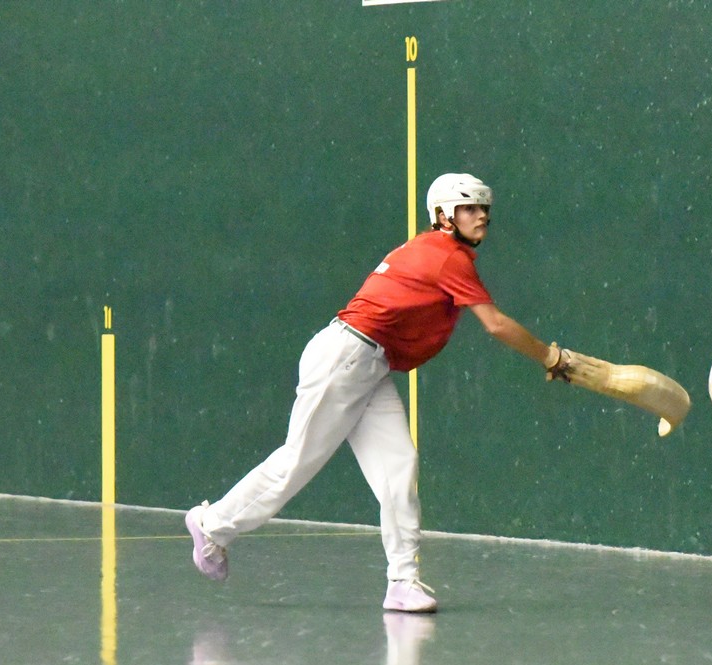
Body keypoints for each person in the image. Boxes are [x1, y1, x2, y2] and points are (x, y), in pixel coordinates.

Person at [185, 173, 569, 613]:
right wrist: (551, 357)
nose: (481, 215)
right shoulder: (447, 257)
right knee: (297, 462)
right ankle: (211, 525)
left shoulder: (433, 250)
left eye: (484, 208)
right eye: (469, 208)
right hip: (346, 357)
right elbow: (496, 324)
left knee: (399, 469)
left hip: (370, 363)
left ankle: (403, 582)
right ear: (444, 216)